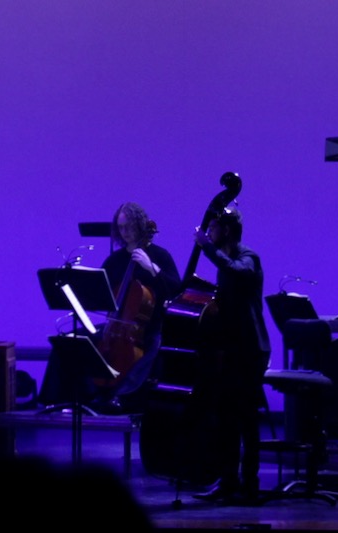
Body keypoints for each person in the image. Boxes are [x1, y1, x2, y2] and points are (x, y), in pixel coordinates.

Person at [191, 208, 268, 501]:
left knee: (247, 418)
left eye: (212, 228)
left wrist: (207, 248)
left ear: (225, 230)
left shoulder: (248, 256)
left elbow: (239, 272)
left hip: (250, 348)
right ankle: (228, 481)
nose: (208, 233)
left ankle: (250, 485)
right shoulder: (225, 259)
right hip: (230, 348)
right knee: (226, 417)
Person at [98, 202, 182, 402]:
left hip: (151, 326)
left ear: (139, 225)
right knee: (80, 340)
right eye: (121, 228)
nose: (125, 232)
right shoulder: (114, 260)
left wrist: (151, 268)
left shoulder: (160, 255)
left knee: (152, 348)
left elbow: (176, 290)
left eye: (129, 226)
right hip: (117, 325)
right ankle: (89, 394)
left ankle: (121, 396)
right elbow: (101, 292)